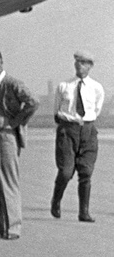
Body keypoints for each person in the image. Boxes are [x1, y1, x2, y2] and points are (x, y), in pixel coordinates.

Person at [0, 48, 37, 240]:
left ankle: (13, 227)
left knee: (8, 180)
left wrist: (15, 122)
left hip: (7, 136)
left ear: (1, 62)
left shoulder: (12, 83)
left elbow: (33, 101)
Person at [51, 51, 104, 223]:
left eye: (84, 63)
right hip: (68, 130)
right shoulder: (64, 86)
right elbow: (56, 111)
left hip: (87, 131)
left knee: (86, 171)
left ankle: (84, 212)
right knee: (66, 171)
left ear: (90, 66)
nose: (80, 66)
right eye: (78, 62)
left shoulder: (97, 88)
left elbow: (96, 110)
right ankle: (56, 200)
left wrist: (85, 125)